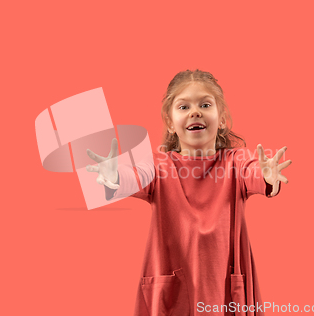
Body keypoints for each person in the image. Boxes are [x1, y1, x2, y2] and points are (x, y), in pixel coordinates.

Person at [85, 69, 292, 316]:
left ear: (222, 119)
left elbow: (254, 174)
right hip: (174, 292)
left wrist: (268, 176)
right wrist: (114, 177)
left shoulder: (236, 161)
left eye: (205, 104)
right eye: (184, 107)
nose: (195, 111)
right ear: (171, 123)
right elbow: (135, 177)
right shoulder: (158, 164)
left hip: (225, 290)